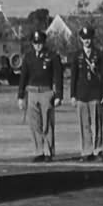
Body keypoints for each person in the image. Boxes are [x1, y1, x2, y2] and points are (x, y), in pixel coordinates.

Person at [16, 28, 63, 161]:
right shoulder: (28, 57)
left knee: (47, 123)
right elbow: (23, 77)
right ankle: (39, 151)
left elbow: (57, 76)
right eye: (35, 43)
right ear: (32, 43)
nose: (38, 45)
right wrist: (20, 96)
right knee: (34, 124)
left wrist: (58, 95)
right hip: (32, 93)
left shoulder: (52, 56)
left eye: (40, 43)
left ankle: (49, 151)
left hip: (46, 92)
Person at [70, 26, 103, 160]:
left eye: (89, 38)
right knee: (84, 125)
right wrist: (73, 95)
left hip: (95, 93)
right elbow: (74, 77)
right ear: (81, 39)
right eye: (84, 38)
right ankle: (86, 151)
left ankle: (97, 150)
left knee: (97, 124)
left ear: (92, 38)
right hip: (82, 94)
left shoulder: (99, 54)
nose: (86, 41)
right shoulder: (77, 55)